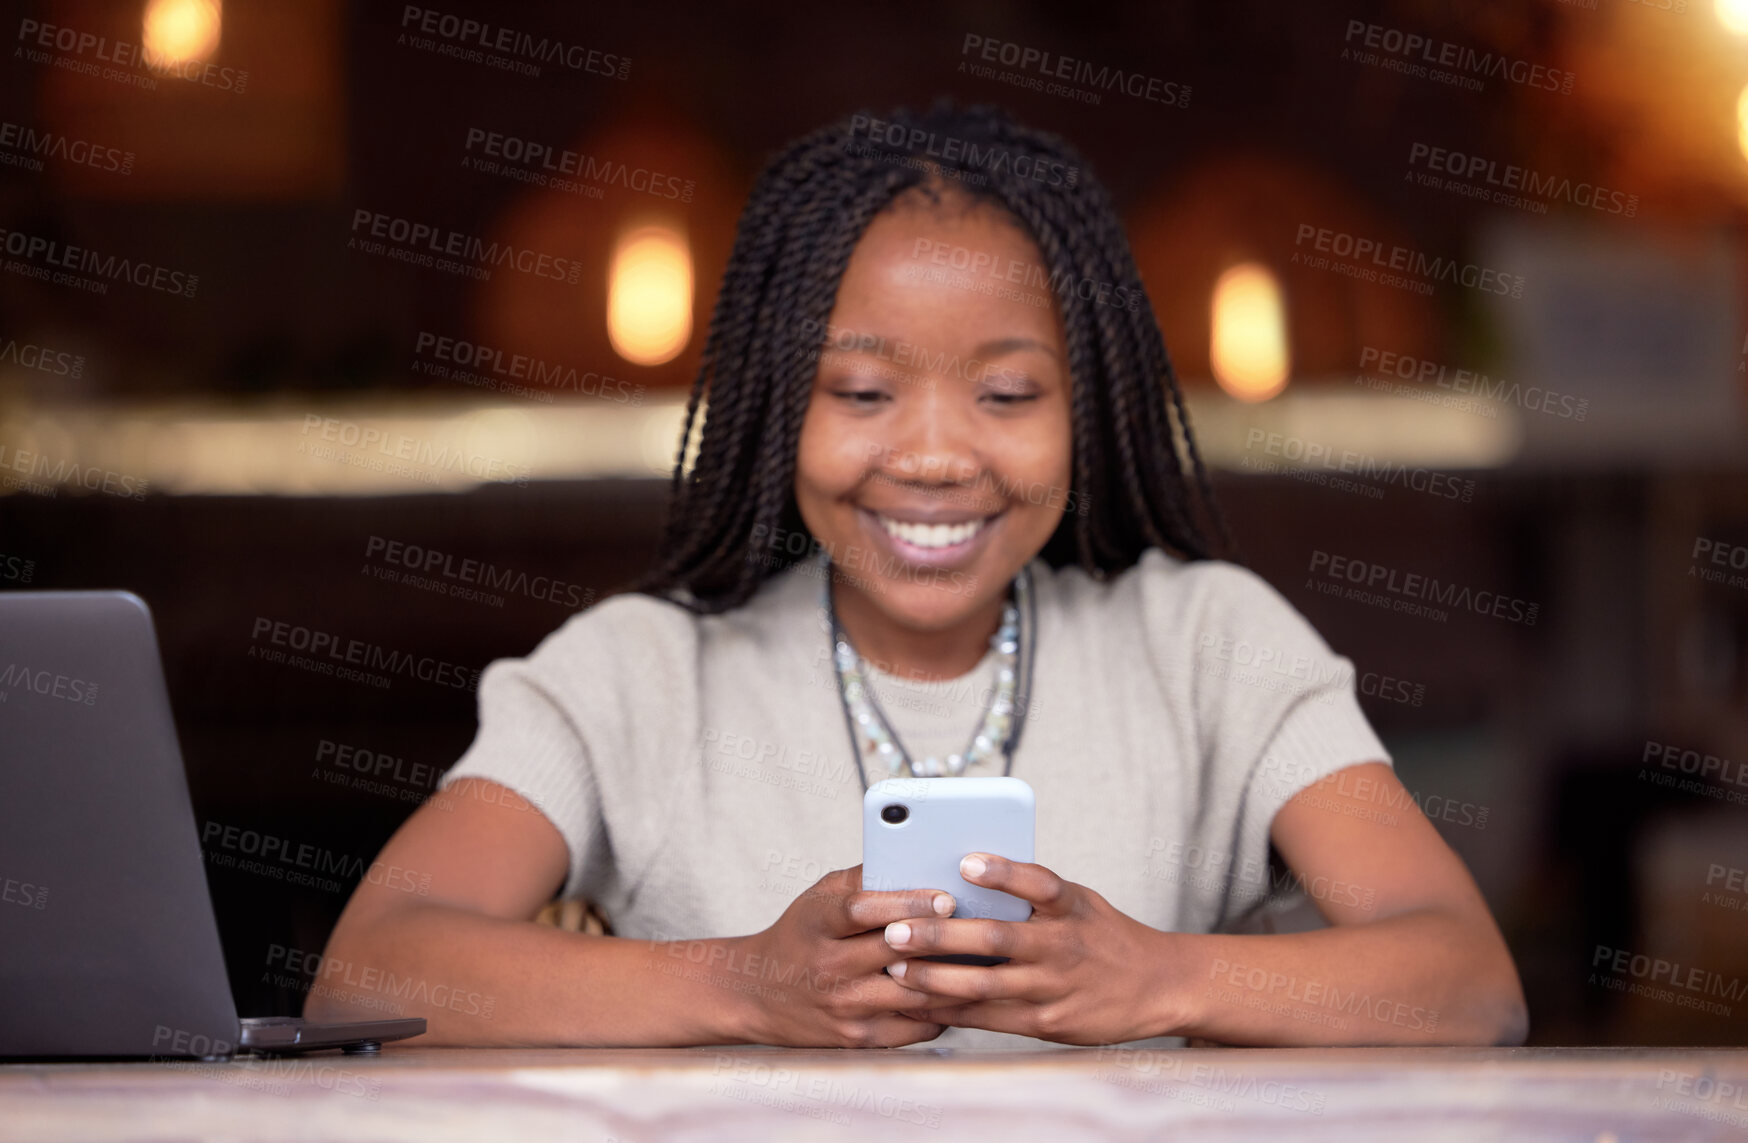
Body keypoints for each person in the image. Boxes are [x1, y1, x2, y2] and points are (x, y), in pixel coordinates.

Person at [310, 102, 1527, 1050]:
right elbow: (368, 973)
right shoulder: (636, 670)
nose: (937, 456)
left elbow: (1468, 987)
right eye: (859, 393)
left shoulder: (1208, 641)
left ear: (1086, 409)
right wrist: (743, 984)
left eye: (1005, 394)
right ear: (774, 408)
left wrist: (1153, 975)